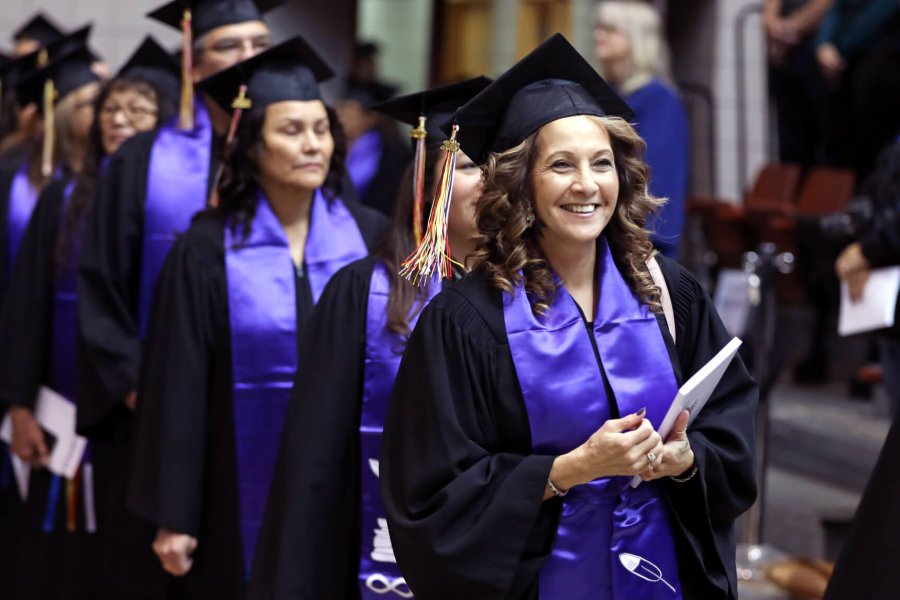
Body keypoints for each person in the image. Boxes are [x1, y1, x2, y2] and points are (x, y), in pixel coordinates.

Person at [380, 34, 758, 600]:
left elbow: (728, 429)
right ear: (520, 183)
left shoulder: (669, 293)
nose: (587, 185)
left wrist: (685, 460)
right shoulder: (464, 322)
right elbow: (431, 497)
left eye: (601, 163)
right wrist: (567, 470)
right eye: (560, 165)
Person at [127, 37, 388, 599]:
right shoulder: (204, 250)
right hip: (232, 482)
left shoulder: (368, 235)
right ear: (250, 145)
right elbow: (178, 384)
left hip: (343, 482)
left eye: (321, 129)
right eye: (290, 131)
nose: (312, 144)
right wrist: (175, 511)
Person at [248, 75, 491, 599]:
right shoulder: (361, 292)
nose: (492, 183)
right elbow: (314, 463)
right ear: (430, 179)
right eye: (470, 167)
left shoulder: (537, 298)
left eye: (507, 168)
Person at [76, 0, 279, 443]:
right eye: (230, 44)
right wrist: (132, 385)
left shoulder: (297, 161)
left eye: (260, 42)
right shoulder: (140, 159)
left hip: (272, 406)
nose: (250, 54)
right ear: (194, 63)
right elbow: (101, 282)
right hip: (150, 404)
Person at [0, 44, 104, 600]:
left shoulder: (115, 190)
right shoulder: (12, 179)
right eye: (94, 101)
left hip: (79, 384)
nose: (110, 110)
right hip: (27, 373)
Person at [594, 0, 689, 259]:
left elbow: (654, 172)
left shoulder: (659, 98)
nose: (598, 35)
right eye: (599, 27)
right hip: (607, 228)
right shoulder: (611, 92)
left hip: (643, 237)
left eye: (610, 29)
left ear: (636, 38)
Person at [816, 0, 900, 181]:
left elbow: (876, 18)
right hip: (845, 61)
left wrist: (840, 50)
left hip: (880, 61)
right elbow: (836, 9)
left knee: (875, 145)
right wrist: (823, 44)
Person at [763, 0, 832, 170]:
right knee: (789, 140)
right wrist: (773, 25)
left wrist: (791, 27)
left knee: (826, 138)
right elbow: (769, 9)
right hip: (784, 54)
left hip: (818, 47)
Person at [337, 79, 411, 217]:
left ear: (369, 119)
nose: (341, 118)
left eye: (349, 113)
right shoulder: (332, 147)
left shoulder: (390, 156)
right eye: (340, 110)